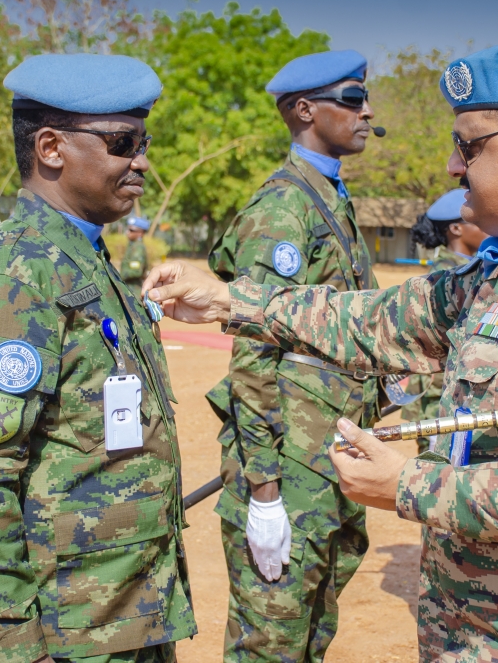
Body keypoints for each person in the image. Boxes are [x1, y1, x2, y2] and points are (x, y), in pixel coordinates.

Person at [145, 41, 498, 662]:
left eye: (466, 146)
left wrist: (410, 484)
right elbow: (378, 320)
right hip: (489, 632)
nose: (450, 166)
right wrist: (231, 303)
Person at [0, 52, 196, 662]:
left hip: (122, 614)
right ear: (51, 147)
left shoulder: (81, 260)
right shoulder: (13, 276)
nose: (142, 160)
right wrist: (18, 645)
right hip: (57, 633)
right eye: (123, 142)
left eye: (142, 140)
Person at [202, 48, 381, 663]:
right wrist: (264, 489)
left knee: (308, 637)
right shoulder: (284, 209)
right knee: (270, 644)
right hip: (287, 469)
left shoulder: (328, 198)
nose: (367, 114)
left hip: (324, 461)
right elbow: (253, 358)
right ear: (305, 111)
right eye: (353, 101)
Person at [401, 187, 487, 443]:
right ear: (457, 229)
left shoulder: (470, 269)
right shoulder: (447, 277)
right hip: (440, 401)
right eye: (477, 221)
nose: (486, 228)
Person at [120, 215, 149, 296]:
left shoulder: (138, 248)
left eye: (131, 230)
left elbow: (136, 271)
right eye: (128, 229)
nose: (128, 232)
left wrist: (118, 276)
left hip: (133, 291)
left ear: (140, 233)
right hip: (128, 288)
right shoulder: (132, 245)